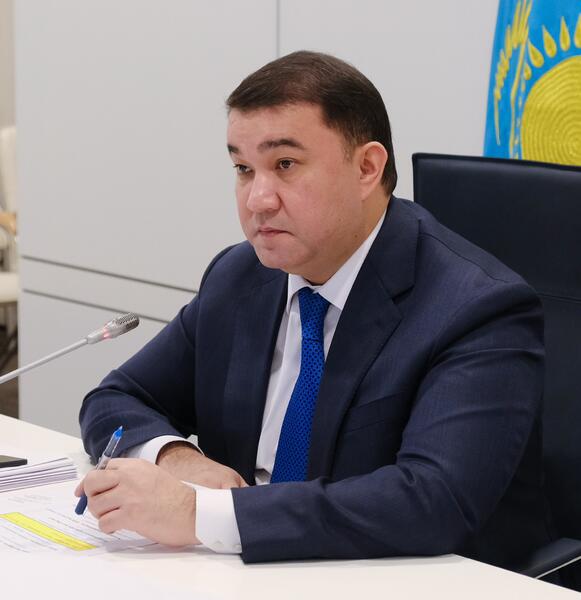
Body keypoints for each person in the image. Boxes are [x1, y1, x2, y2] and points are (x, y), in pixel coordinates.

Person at [77, 51, 553, 568]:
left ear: (367, 168)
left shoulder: (476, 308)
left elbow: (432, 501)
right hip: (242, 573)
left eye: (285, 165)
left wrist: (199, 513)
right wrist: (176, 458)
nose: (258, 200)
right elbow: (116, 398)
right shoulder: (240, 277)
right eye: (243, 169)